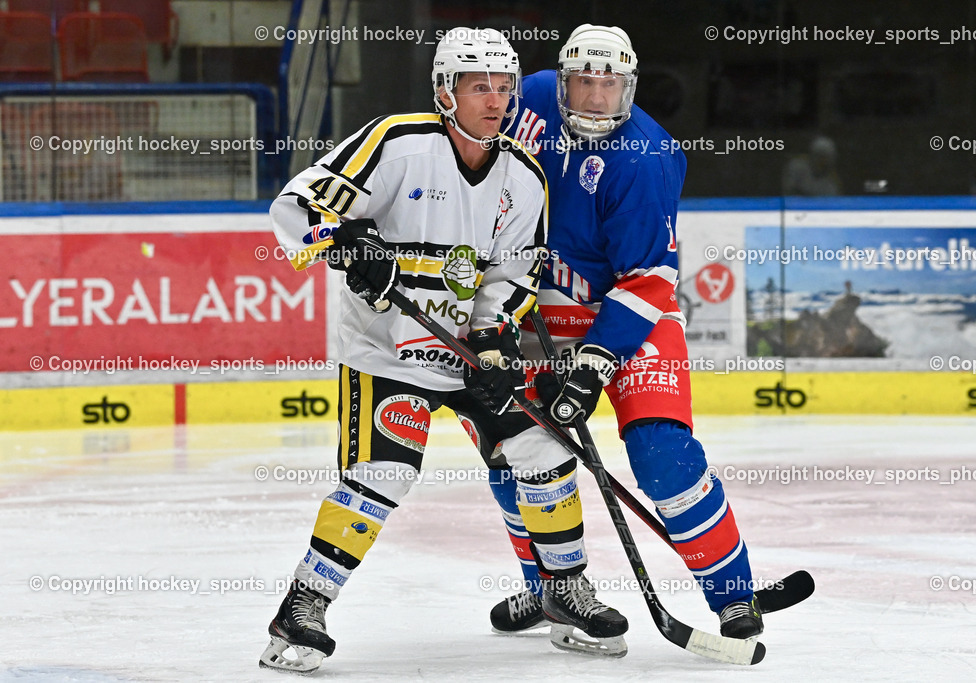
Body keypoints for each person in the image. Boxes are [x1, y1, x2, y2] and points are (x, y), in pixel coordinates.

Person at [259, 27, 624, 674]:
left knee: (542, 445)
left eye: (505, 86)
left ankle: (562, 588)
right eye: (478, 85)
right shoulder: (398, 144)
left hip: (461, 348)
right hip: (387, 350)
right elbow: (296, 204)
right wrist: (346, 245)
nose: (496, 99)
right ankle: (303, 604)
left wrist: (493, 342)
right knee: (385, 472)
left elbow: (511, 278)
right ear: (444, 92)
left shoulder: (523, 175)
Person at [479, 24, 765, 645]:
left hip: (630, 311)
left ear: (630, 85)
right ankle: (552, 588)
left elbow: (649, 277)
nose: (598, 95)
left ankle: (733, 595)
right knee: (515, 450)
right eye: (585, 79)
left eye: (611, 82)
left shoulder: (646, 158)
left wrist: (595, 363)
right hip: (535, 312)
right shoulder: (526, 99)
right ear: (561, 79)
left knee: (662, 455)